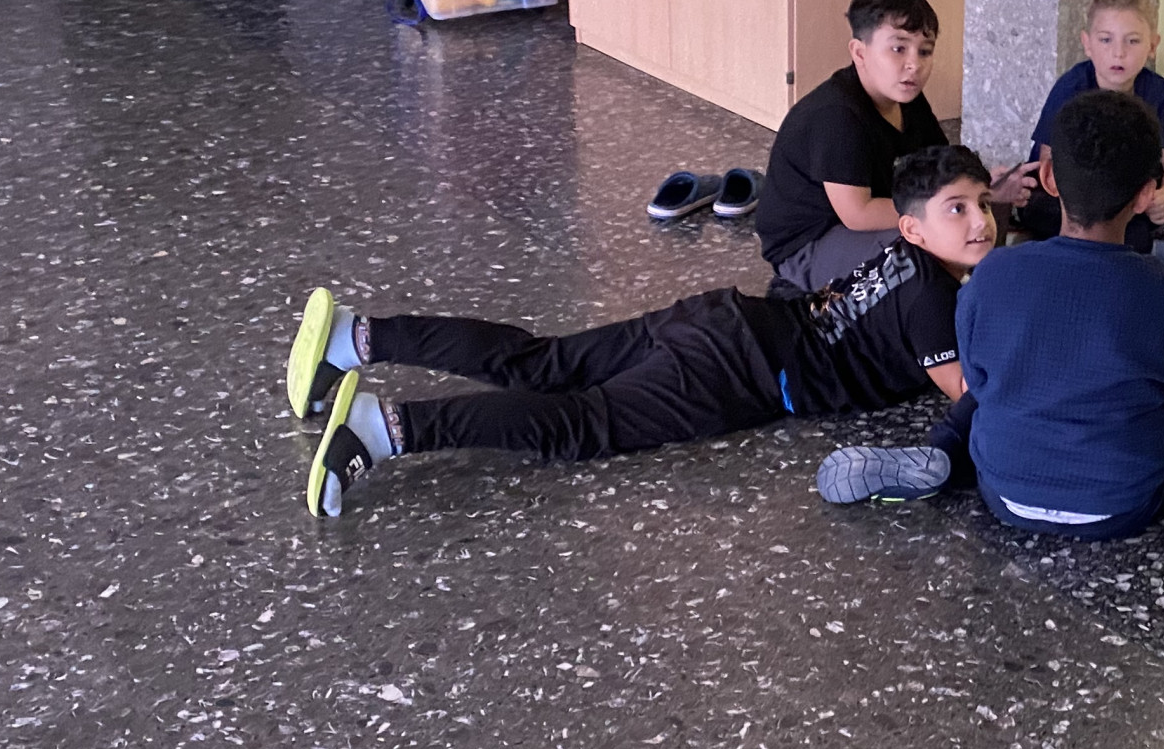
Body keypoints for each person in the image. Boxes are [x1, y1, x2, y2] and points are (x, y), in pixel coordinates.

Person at [293, 146, 997, 517]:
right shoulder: (935, 298)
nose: (980, 223)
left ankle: (358, 338)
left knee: (544, 361)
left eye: (984, 206)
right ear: (912, 228)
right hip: (739, 369)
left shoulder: (907, 260)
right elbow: (970, 395)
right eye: (957, 209)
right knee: (579, 425)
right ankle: (387, 430)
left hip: (723, 318)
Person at [817, 89, 1164, 572]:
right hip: (1122, 505)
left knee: (990, 392)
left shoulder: (992, 274)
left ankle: (939, 453)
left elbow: (980, 379)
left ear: (1050, 177)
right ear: (1145, 194)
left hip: (1004, 493)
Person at [755, 0, 1024, 294]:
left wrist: (984, 189)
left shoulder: (906, 99)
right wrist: (948, 210)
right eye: (898, 48)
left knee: (976, 216)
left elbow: (941, 169)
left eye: (925, 51)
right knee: (924, 246)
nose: (914, 65)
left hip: (869, 222)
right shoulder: (836, 116)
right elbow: (858, 214)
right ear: (859, 52)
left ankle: (984, 291)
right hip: (809, 245)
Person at [1012, 0, 1164, 272]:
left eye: (1133, 40)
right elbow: (1050, 164)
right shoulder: (1071, 88)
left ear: (1153, 45)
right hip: (1079, 198)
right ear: (1087, 44)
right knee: (1035, 207)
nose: (1119, 52)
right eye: (1106, 40)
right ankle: (1153, 249)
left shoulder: (1156, 90)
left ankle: (1132, 241)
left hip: (1134, 195)